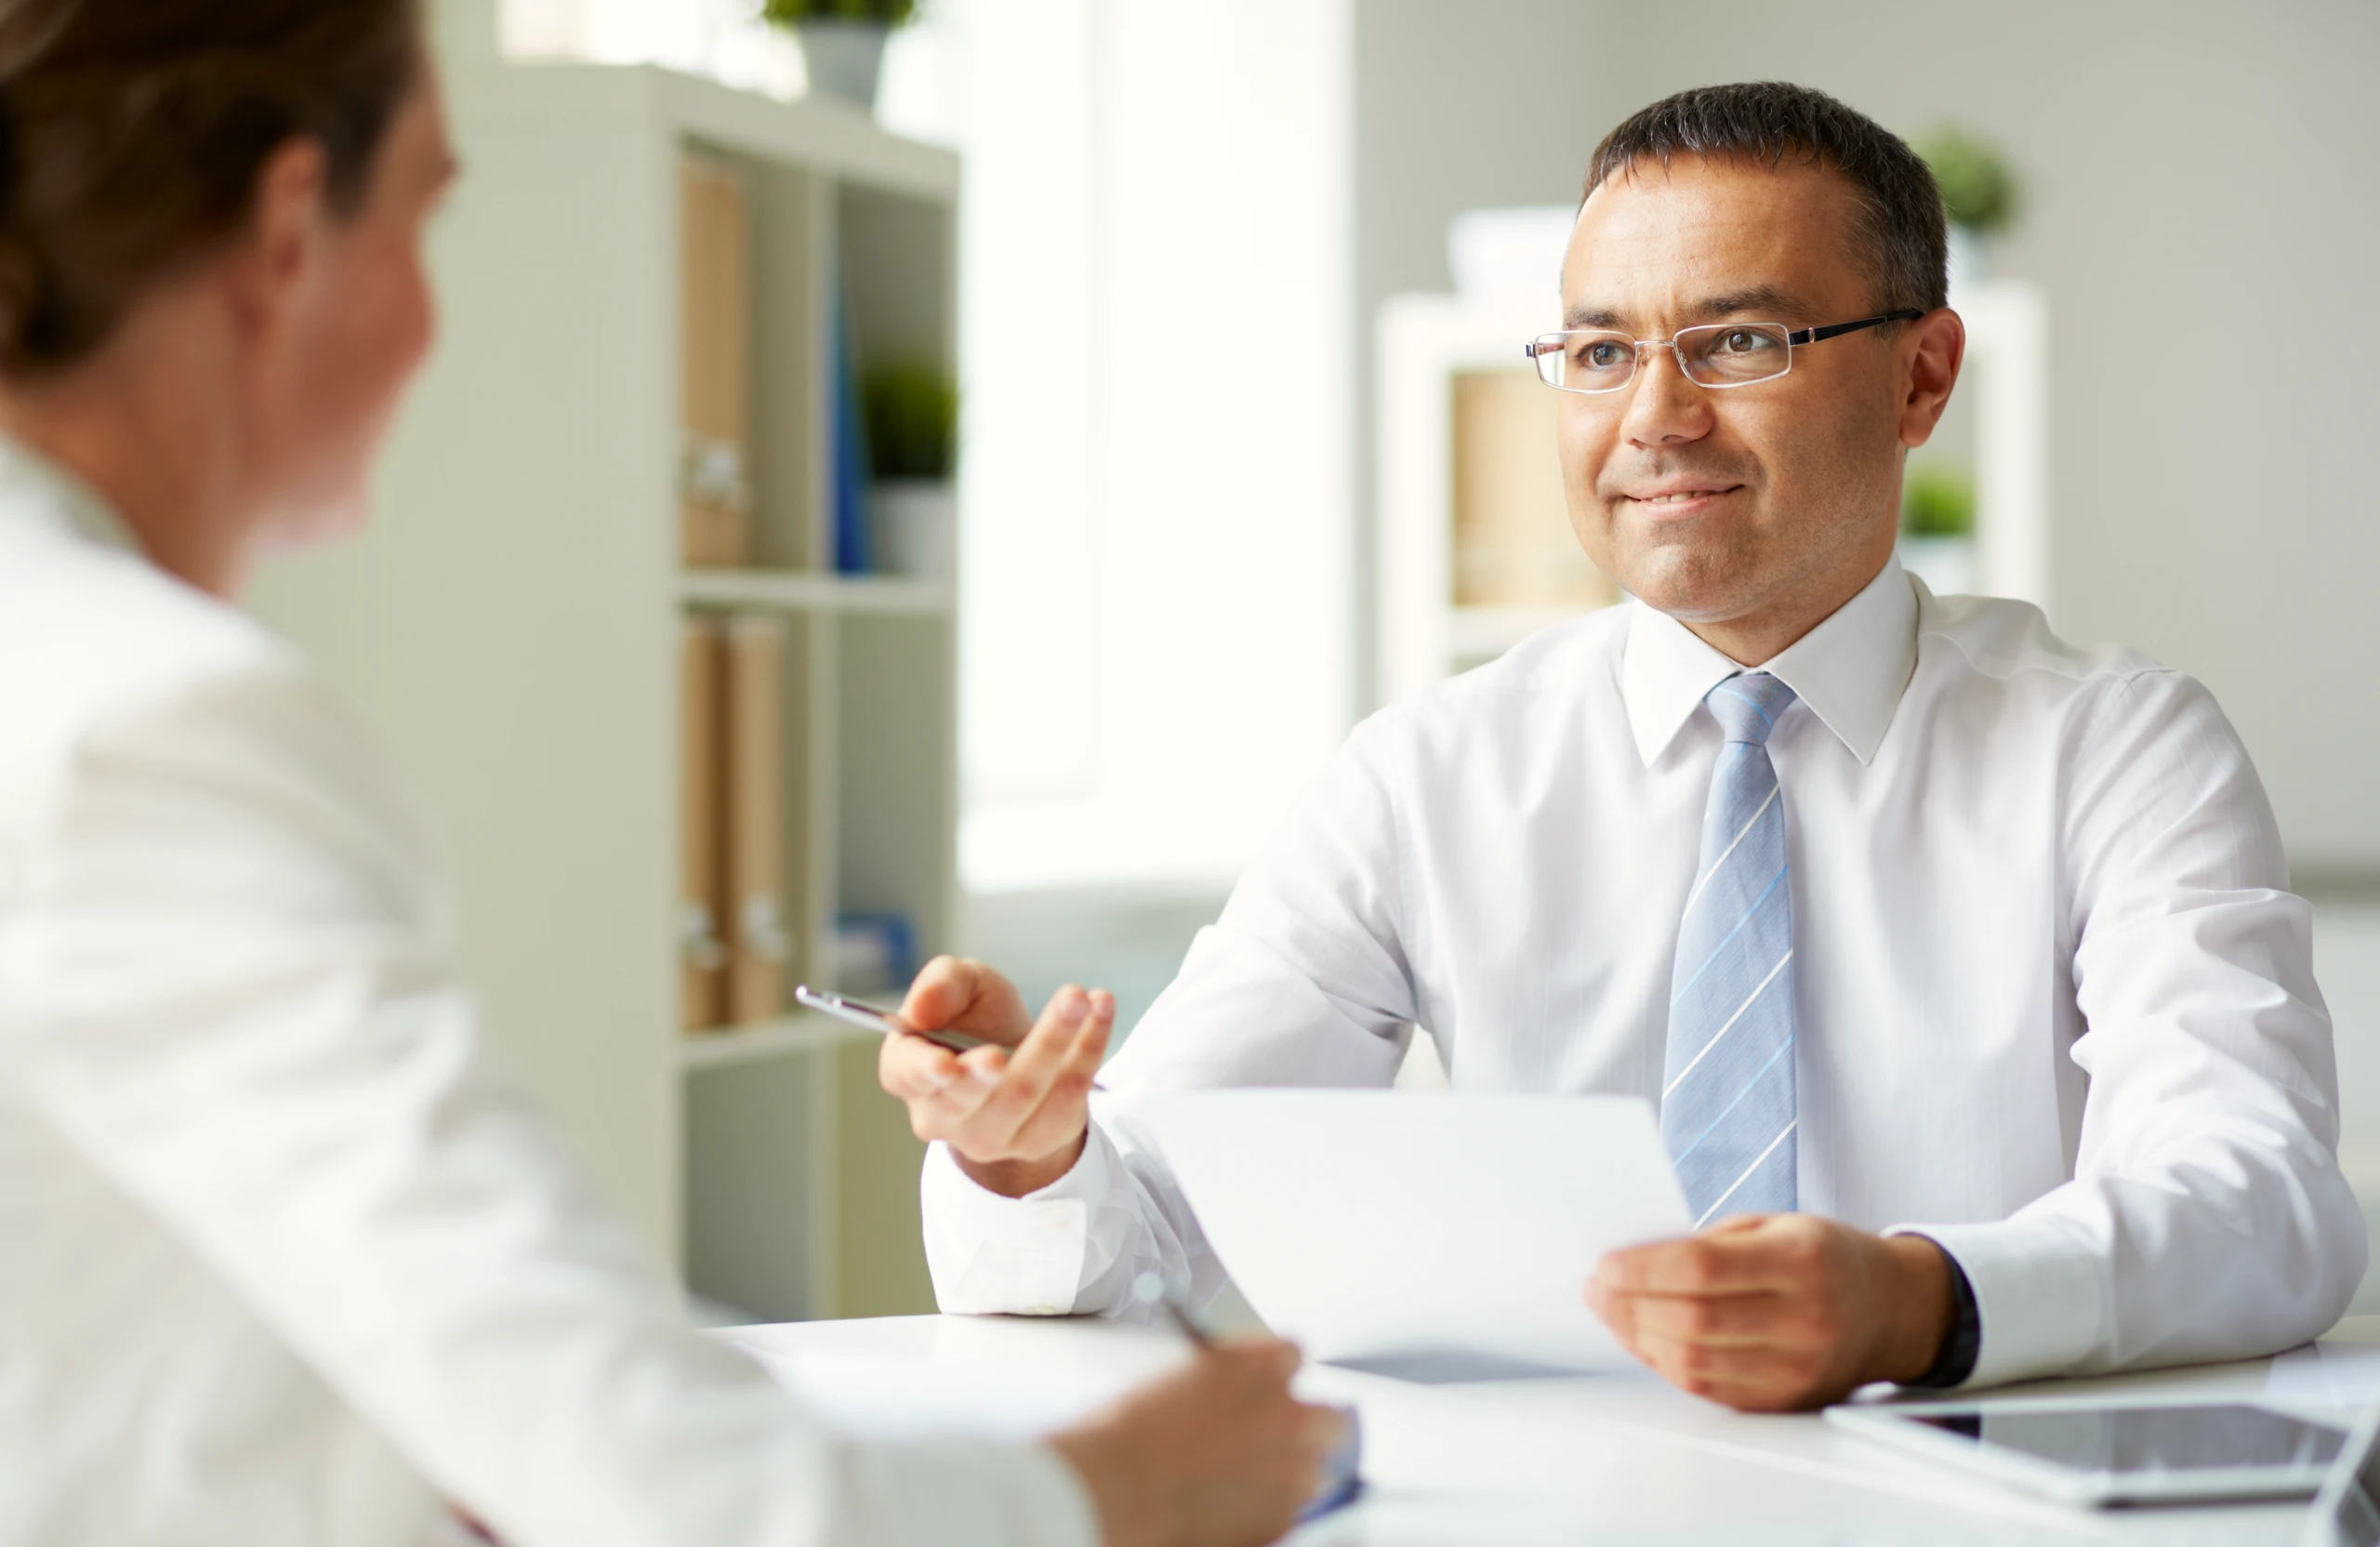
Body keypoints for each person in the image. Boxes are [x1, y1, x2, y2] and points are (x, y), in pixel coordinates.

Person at [0, 3, 1342, 1544]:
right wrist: (1113, 1498)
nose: (439, 321)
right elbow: (655, 1479)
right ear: (292, 231)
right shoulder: (150, 724)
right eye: (430, 222)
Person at [883, 80, 2365, 1412]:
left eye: (1739, 340)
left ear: (1922, 377)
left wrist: (1919, 1301)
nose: (1654, 418)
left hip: (1984, 1495)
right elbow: (1149, 1221)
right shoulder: (1427, 776)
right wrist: (1029, 1155)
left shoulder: (2113, 748)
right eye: (1598, 350)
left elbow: (2263, 1199)